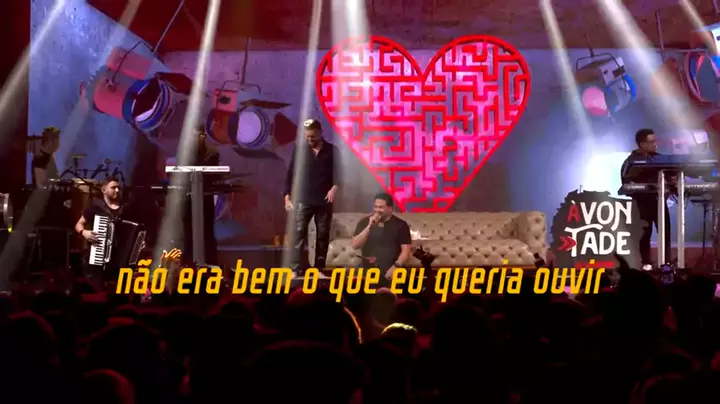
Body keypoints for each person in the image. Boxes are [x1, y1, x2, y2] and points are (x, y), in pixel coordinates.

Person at [285, 119, 340, 274]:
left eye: (313, 137)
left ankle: (319, 268)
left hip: (324, 199)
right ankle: (294, 268)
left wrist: (334, 188)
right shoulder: (300, 150)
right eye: (307, 137)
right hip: (303, 198)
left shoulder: (331, 150)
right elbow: (291, 173)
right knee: (298, 234)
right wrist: (287, 196)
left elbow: (339, 173)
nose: (310, 140)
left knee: (323, 234)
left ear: (320, 133)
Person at [620, 128, 672, 268]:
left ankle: (666, 263)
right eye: (652, 141)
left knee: (665, 232)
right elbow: (627, 184)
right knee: (644, 234)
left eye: (655, 141)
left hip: (659, 202)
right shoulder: (631, 161)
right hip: (641, 204)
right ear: (642, 144)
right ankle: (645, 263)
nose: (656, 144)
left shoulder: (660, 159)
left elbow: (672, 175)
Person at [351, 193, 413, 285]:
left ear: (390, 209)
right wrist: (369, 227)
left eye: (381, 207)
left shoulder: (401, 225)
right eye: (375, 207)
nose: (377, 210)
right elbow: (355, 245)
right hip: (368, 268)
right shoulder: (365, 222)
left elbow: (406, 251)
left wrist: (395, 267)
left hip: (392, 266)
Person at [181, 128, 219, 265]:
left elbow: (214, 175)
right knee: (188, 232)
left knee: (207, 231)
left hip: (205, 198)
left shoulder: (212, 153)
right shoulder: (185, 154)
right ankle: (188, 263)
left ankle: (209, 262)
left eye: (197, 135)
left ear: (202, 136)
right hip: (188, 198)